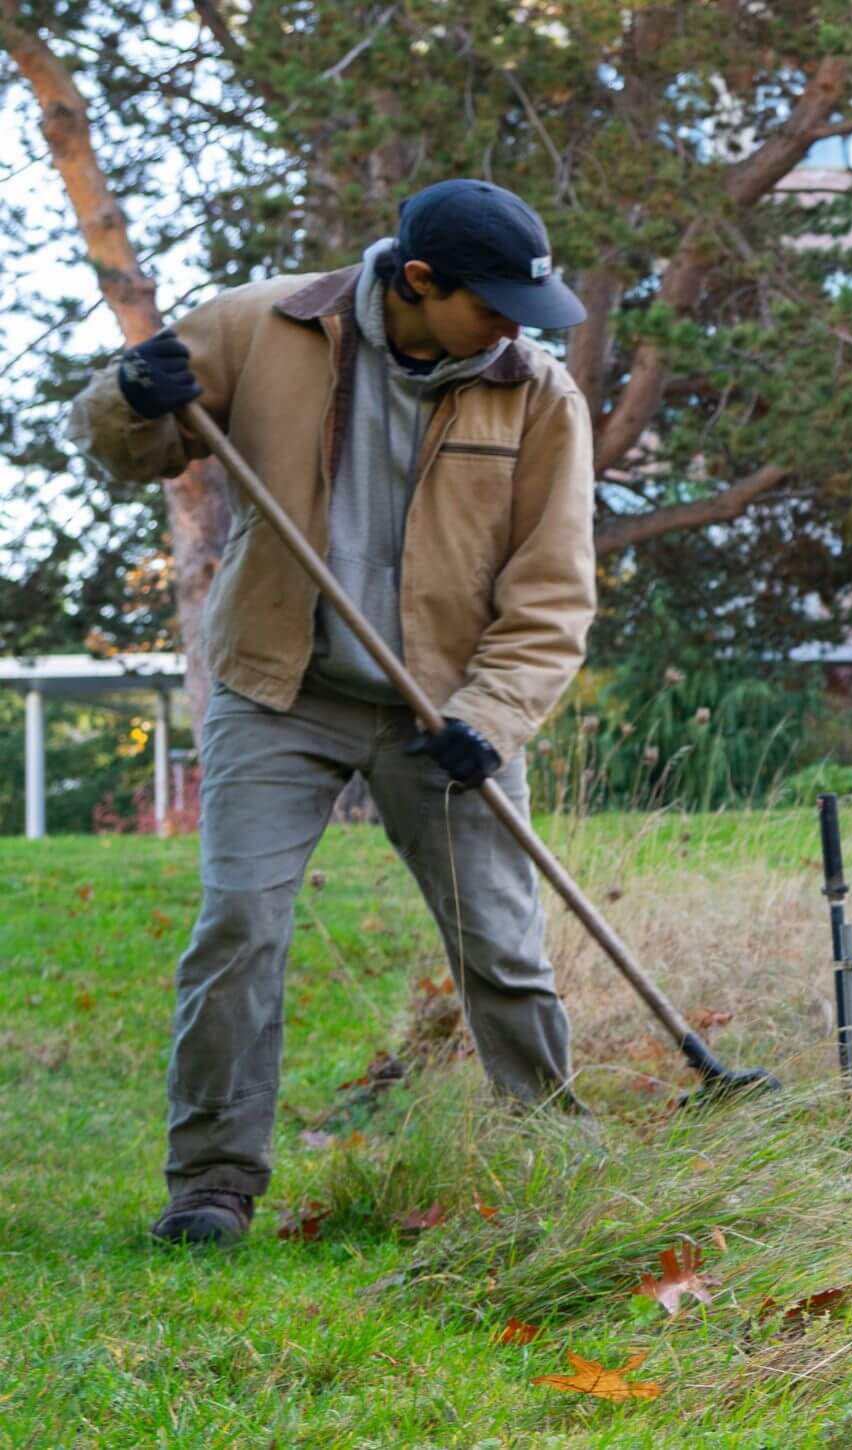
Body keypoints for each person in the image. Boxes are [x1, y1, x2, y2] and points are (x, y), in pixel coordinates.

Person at [68, 178, 599, 1246]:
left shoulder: (538, 395)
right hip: (281, 689)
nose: (513, 330)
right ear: (416, 282)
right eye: (490, 305)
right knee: (240, 925)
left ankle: (551, 1162)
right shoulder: (260, 326)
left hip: (446, 714)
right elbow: (126, 443)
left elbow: (554, 591)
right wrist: (133, 392)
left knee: (503, 947)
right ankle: (211, 1184)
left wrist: (490, 716)